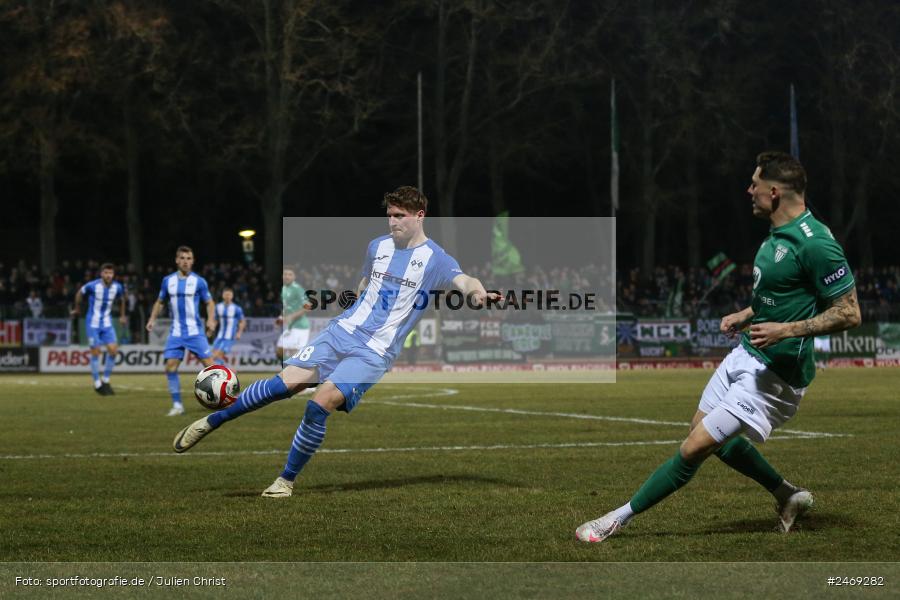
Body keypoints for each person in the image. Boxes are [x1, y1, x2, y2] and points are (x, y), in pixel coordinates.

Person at [576, 151, 862, 542]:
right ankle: (787, 494)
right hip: (747, 354)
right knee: (701, 430)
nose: (748, 190)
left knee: (694, 448)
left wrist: (785, 331)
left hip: (776, 376)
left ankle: (616, 519)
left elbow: (849, 313)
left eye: (755, 184)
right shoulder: (777, 234)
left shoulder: (816, 244)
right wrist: (745, 315)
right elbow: (781, 296)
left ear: (774, 192)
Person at [173, 186, 499, 497]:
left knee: (320, 403)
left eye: (400, 215)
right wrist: (356, 300)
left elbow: (464, 280)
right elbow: (365, 282)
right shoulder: (377, 246)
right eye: (389, 215)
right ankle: (211, 421)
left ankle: (285, 481)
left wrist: (478, 294)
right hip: (340, 332)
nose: (392, 222)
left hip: (374, 352)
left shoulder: (435, 258)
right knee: (282, 385)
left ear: (420, 215)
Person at [146, 246, 217, 416]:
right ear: (177, 260)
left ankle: (223, 398)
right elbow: (160, 301)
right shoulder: (167, 281)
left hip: (195, 331)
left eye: (189, 258)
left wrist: (211, 319)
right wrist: (152, 319)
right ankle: (177, 406)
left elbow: (209, 302)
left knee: (211, 367)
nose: (186, 261)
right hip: (176, 332)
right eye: (183, 258)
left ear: (193, 261)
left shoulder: (199, 281)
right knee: (170, 367)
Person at [71, 263, 127, 395]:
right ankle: (97, 383)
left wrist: (122, 315)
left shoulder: (117, 287)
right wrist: (77, 309)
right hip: (93, 323)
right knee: (95, 352)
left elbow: (122, 299)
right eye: (106, 273)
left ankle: (105, 381)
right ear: (101, 274)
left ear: (113, 274)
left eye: (110, 273)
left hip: (107, 323)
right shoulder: (93, 285)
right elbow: (79, 293)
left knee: (113, 351)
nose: (108, 275)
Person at [275, 267, 311, 363]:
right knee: (279, 351)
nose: (287, 276)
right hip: (291, 327)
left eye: (290, 274)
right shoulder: (284, 289)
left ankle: (294, 370)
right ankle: (292, 368)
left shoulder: (298, 289)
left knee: (294, 354)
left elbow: (308, 306)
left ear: (294, 277)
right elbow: (286, 308)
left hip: (300, 326)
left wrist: (291, 316)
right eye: (285, 274)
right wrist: (280, 318)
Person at [211, 288, 246, 362]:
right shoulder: (218, 307)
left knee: (217, 355)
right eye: (226, 294)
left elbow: (242, 321)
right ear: (222, 295)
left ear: (232, 296)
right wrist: (212, 328)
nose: (227, 296)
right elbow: (215, 320)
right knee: (213, 355)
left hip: (230, 337)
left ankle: (219, 367)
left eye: (229, 295)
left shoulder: (236, 308)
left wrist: (239, 333)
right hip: (220, 336)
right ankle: (222, 367)